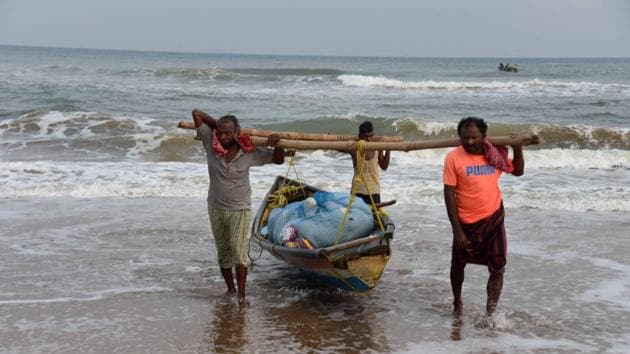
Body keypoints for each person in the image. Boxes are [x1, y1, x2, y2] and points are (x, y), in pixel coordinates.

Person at [191, 109, 287, 306]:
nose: (224, 137)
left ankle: (242, 295)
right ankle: (230, 289)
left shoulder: (248, 152)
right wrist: (218, 125)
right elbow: (196, 114)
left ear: (236, 133)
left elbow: (278, 159)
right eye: (221, 133)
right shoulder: (211, 143)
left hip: (239, 208)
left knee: (238, 249)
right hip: (216, 207)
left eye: (228, 133)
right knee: (223, 250)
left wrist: (277, 144)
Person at [443, 117, 524, 317]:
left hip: (493, 220)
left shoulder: (495, 155)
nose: (469, 142)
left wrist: (518, 148)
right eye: (465, 138)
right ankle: (457, 303)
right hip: (465, 223)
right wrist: (457, 231)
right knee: (458, 264)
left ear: (484, 136)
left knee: (498, 267)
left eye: (474, 137)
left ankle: (490, 313)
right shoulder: (453, 158)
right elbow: (449, 195)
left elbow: (519, 172)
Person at [349, 121, 390, 205]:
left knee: (375, 215)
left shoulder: (378, 147)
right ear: (360, 137)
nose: (368, 139)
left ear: (373, 134)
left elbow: (384, 167)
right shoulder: (354, 148)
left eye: (371, 136)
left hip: (373, 189)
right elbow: (336, 147)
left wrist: (389, 148)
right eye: (365, 137)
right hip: (358, 189)